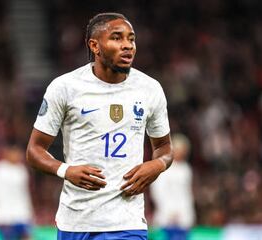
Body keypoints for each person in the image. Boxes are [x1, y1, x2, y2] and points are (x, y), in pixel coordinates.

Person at [26, 12, 173, 240]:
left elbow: (165, 148)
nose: (128, 46)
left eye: (131, 39)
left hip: (127, 221)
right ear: (94, 45)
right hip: (76, 221)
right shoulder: (65, 87)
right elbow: (34, 151)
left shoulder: (150, 89)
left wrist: (157, 165)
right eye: (117, 38)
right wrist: (66, 170)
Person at [150, 133, 195, 232]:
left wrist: (189, 213)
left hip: (184, 216)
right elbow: (157, 191)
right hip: (166, 216)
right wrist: (170, 212)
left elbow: (187, 193)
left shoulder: (186, 169)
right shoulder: (163, 166)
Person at [0, 144, 34, 240]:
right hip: (4, 216)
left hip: (21, 214)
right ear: (7, 153)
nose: (18, 156)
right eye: (15, 153)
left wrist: (29, 213)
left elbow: (24, 195)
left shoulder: (22, 170)